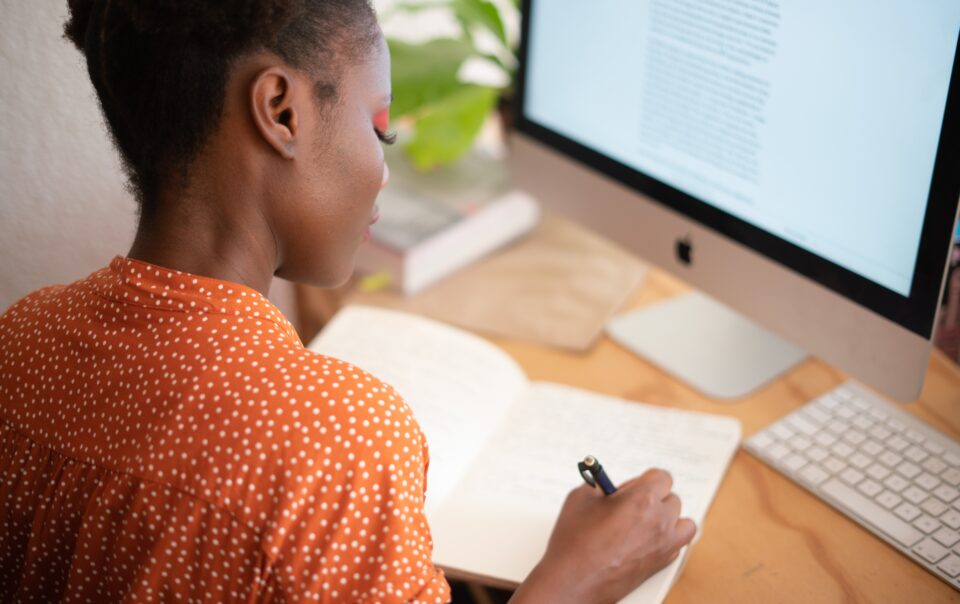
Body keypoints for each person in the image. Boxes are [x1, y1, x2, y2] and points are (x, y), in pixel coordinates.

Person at [0, 1, 695, 602]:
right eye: (379, 127)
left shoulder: (20, 340)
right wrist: (576, 577)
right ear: (281, 111)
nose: (384, 170)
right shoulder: (338, 443)